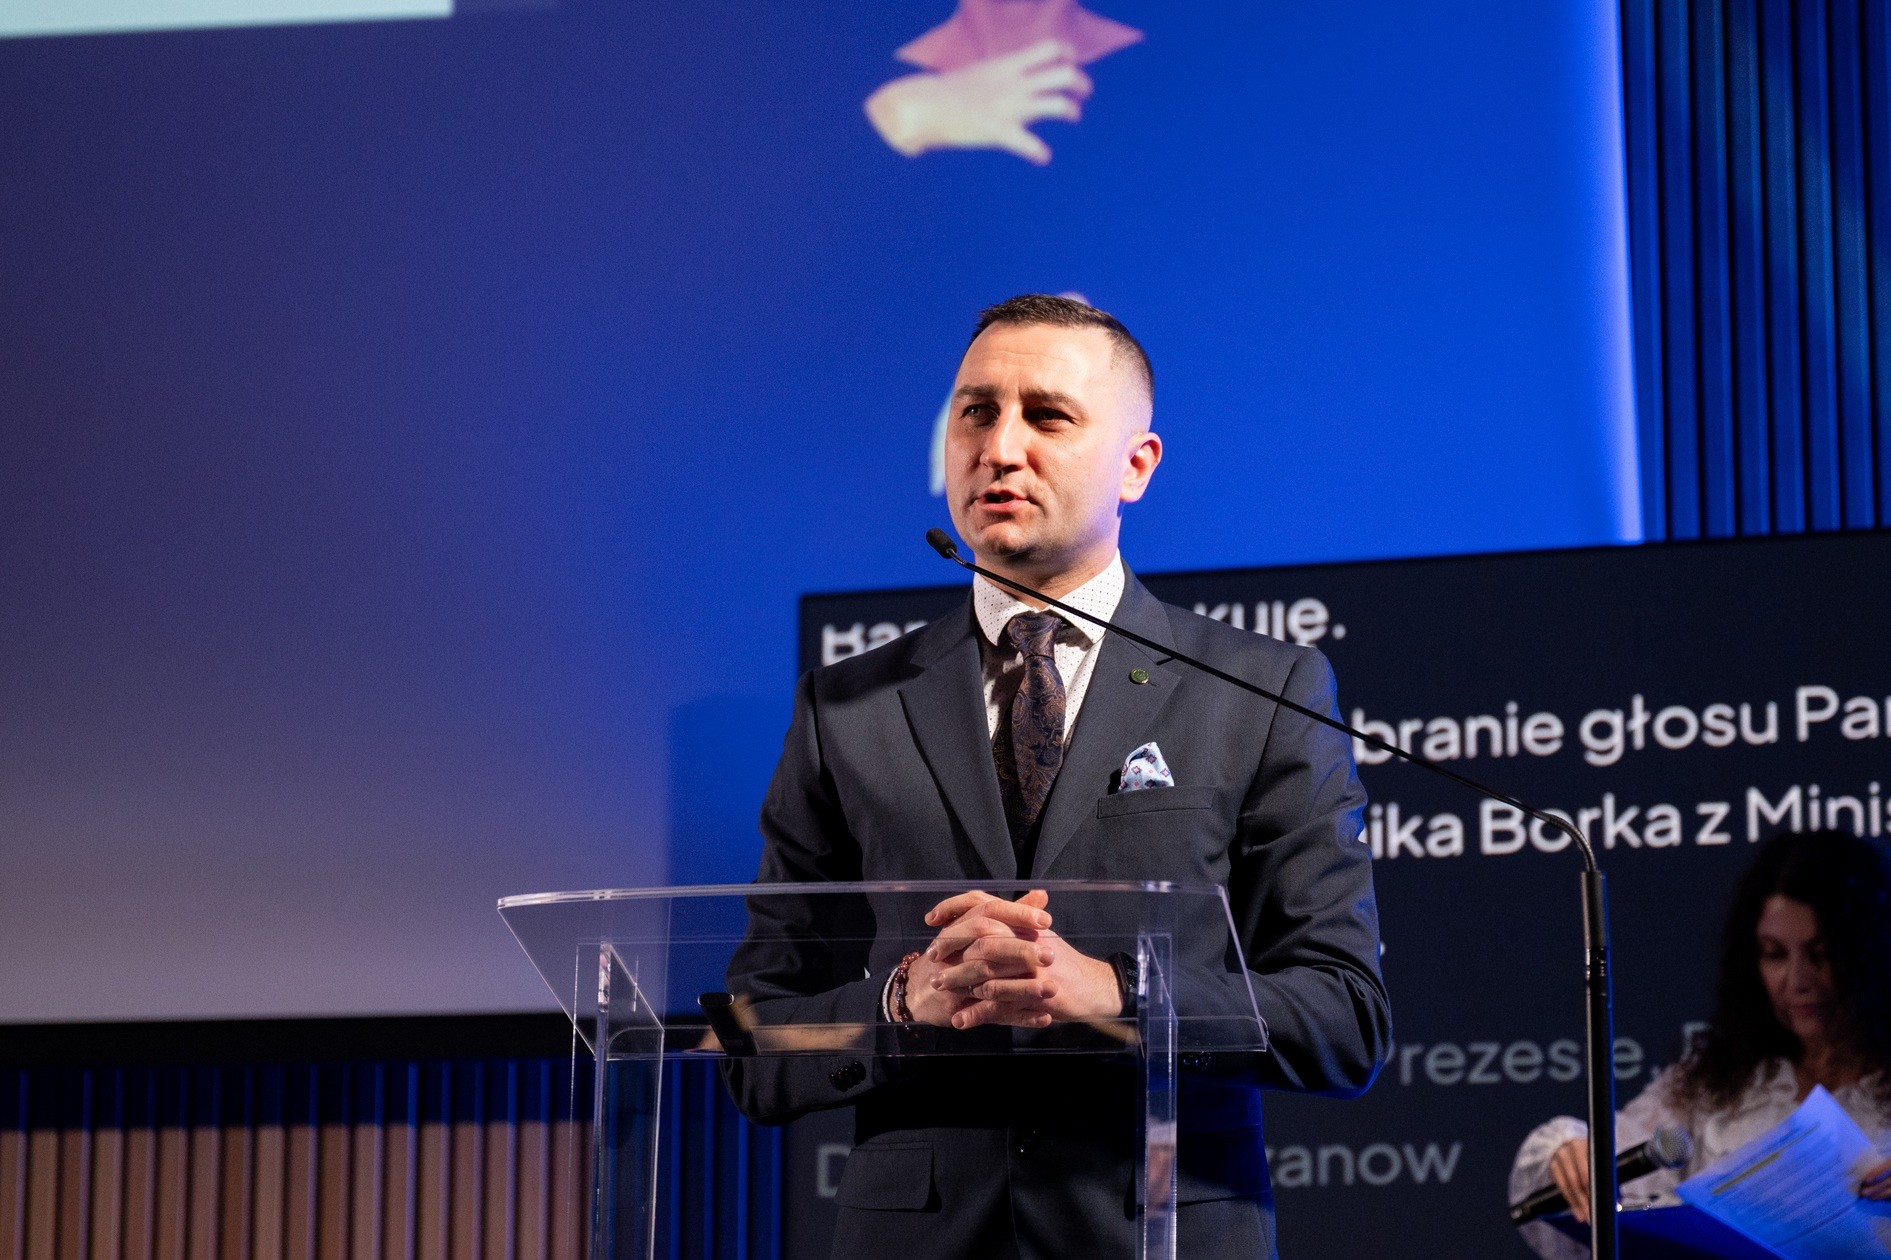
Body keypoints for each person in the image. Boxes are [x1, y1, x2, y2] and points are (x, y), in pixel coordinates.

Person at [724, 294, 1391, 1260]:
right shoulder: (847, 707)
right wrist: (902, 1003)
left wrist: (1119, 992)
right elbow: (754, 1043)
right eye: (975, 412)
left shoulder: (1259, 690)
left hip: (1160, 1232)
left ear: (1136, 465)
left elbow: (1343, 1019)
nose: (999, 448)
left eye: (1047, 416)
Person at [1510, 828, 1891, 1258]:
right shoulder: (1718, 1080)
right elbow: (1610, 1163)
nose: (1798, 980)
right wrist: (1570, 1154)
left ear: (1872, 953)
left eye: (1821, 953)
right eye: (1774, 954)